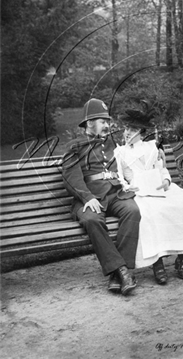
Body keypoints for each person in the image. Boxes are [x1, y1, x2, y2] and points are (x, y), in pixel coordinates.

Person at [114, 105, 183, 285]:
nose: (127, 133)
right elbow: (120, 177)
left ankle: (182, 257)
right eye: (126, 128)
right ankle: (157, 262)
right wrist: (127, 187)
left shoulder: (152, 148)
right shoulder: (121, 152)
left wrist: (166, 180)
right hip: (139, 193)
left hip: (158, 188)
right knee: (150, 215)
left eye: (132, 129)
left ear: (142, 133)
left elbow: (162, 170)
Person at [62, 98, 141, 296]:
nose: (108, 125)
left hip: (114, 194)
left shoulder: (111, 144)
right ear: (90, 123)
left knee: (132, 211)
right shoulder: (74, 147)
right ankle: (123, 271)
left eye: (108, 121)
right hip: (88, 198)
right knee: (92, 219)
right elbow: (72, 177)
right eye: (103, 121)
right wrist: (88, 197)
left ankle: (117, 274)